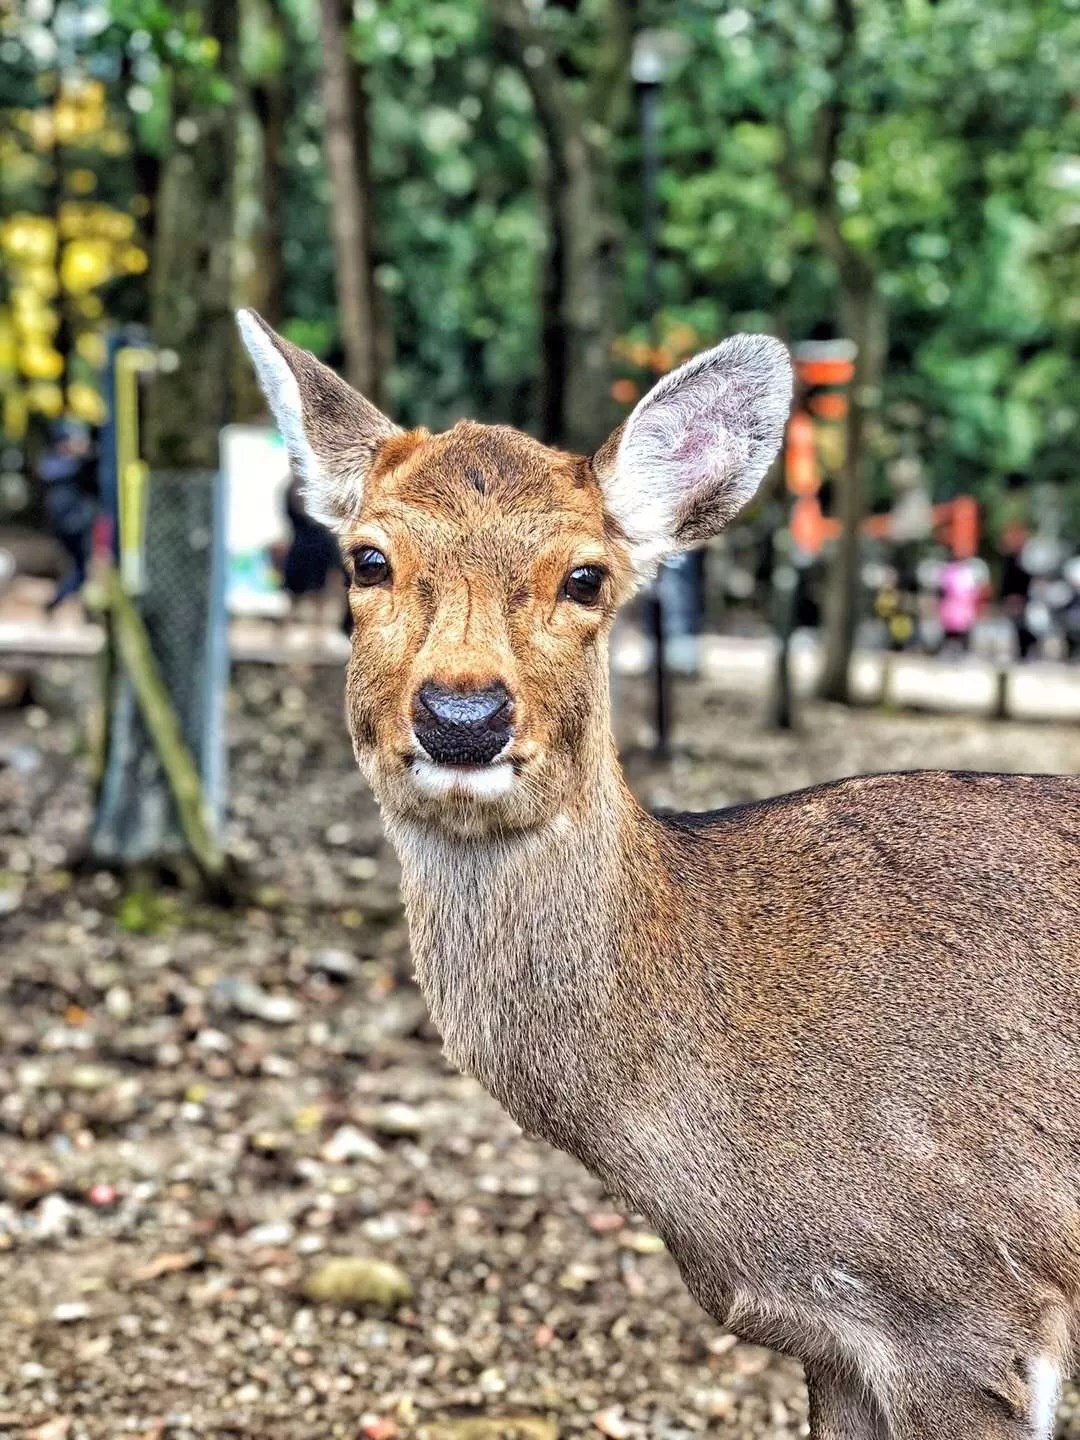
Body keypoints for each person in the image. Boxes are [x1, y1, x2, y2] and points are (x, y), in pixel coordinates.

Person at [37, 419, 98, 612]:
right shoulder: (56, 465)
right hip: (70, 525)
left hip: (79, 523)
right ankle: (61, 603)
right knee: (81, 570)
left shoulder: (80, 464)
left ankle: (64, 602)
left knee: (83, 571)